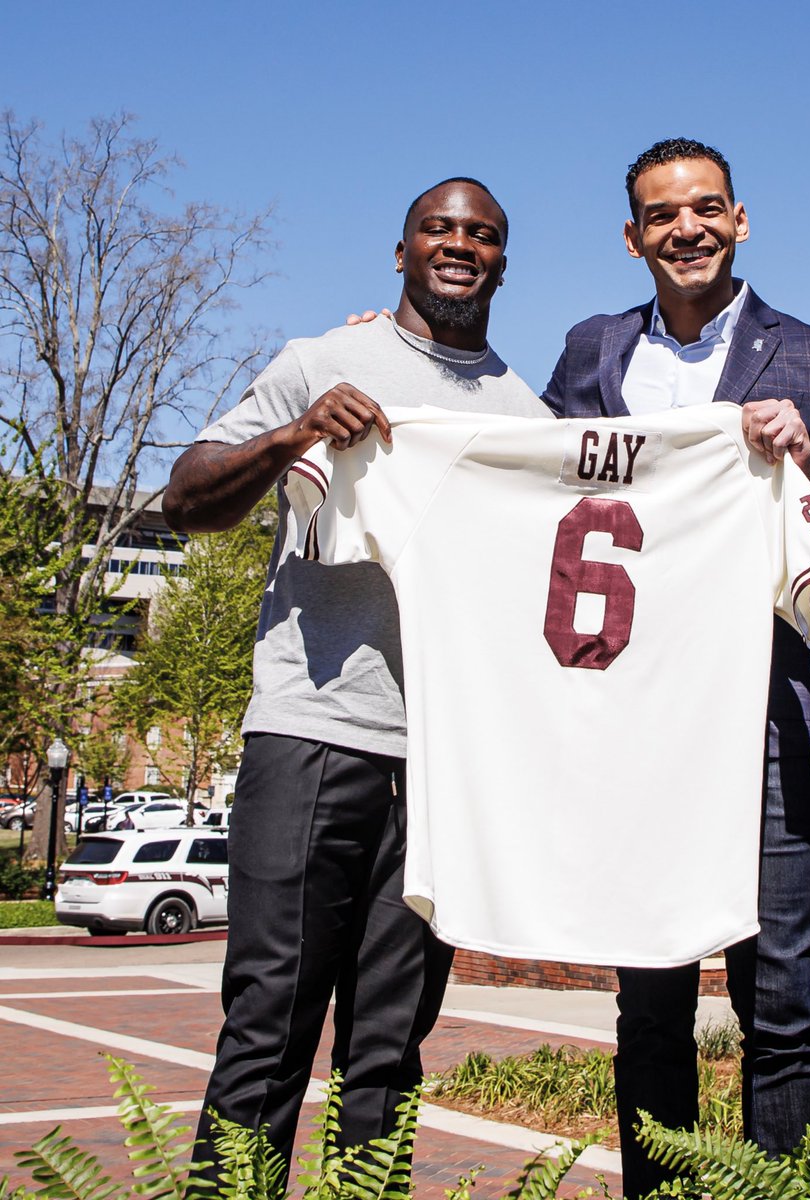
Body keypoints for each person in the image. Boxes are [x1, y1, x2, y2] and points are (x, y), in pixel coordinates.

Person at [163, 177, 548, 1182]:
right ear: (401, 251)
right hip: (311, 735)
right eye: (439, 229)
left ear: (503, 260)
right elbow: (187, 500)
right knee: (267, 1028)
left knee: (387, 1048)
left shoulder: (523, 414)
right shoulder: (322, 361)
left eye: (483, 235)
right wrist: (294, 436)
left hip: (439, 769)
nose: (460, 245)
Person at [541, 138, 810, 1197]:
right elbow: (530, 486)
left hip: (765, 729)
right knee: (648, 1008)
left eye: (705, 209)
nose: (684, 228)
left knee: (778, 1005)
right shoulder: (593, 353)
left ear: (741, 220)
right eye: (660, 214)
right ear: (633, 236)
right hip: (633, 732)